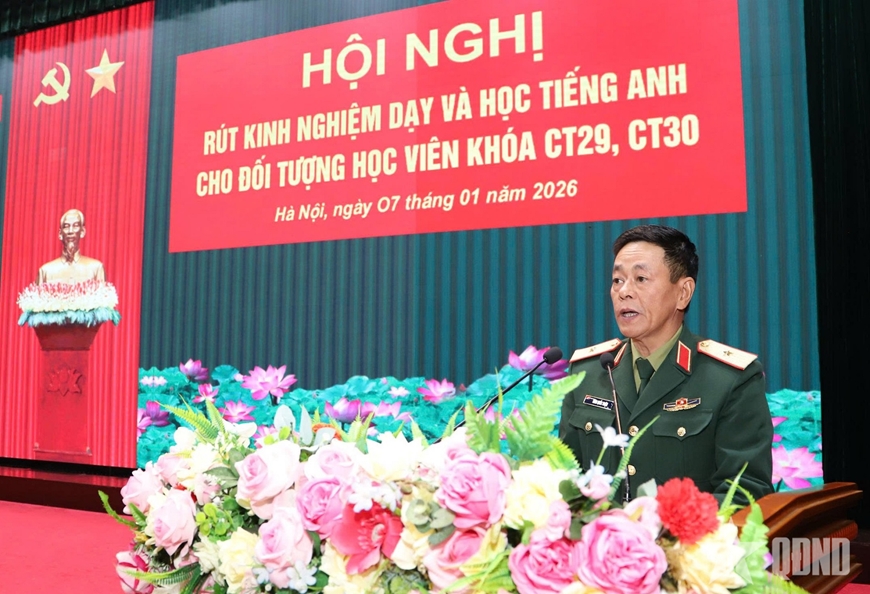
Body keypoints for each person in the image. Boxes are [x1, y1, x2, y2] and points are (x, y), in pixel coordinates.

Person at [559, 224, 773, 503]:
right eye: (617, 280)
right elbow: (564, 480)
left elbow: (745, 494)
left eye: (641, 278)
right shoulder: (588, 373)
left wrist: (662, 528)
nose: (624, 292)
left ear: (683, 293)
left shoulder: (730, 380)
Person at [37, 209, 106, 285]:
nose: (70, 231)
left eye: (75, 226)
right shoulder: (46, 271)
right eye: (66, 227)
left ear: (82, 232)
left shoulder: (96, 269)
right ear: (60, 234)